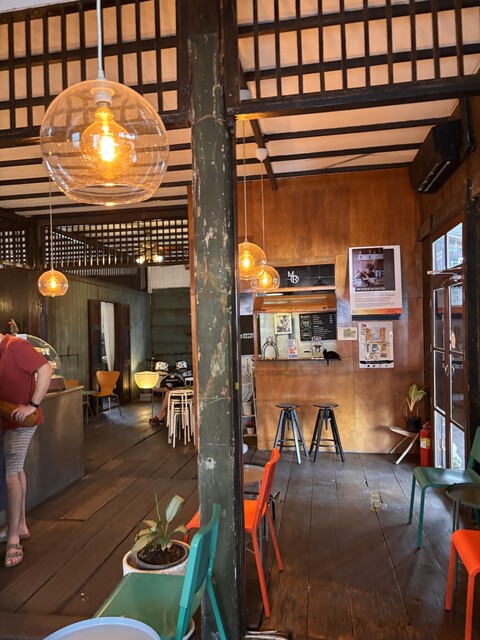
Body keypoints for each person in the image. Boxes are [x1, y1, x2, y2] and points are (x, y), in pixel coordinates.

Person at [0, 328, 52, 568]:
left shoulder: (15, 346)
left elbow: (46, 369)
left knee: (11, 474)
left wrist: (33, 405)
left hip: (22, 421)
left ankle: (13, 539)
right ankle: (19, 526)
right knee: (17, 470)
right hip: (9, 419)